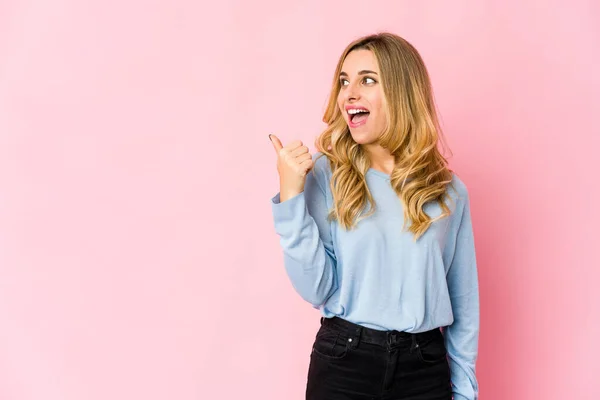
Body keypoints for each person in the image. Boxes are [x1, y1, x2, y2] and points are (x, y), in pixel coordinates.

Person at [268, 32, 479, 400]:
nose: (349, 94)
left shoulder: (448, 191)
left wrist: (465, 392)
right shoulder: (325, 174)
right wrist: (291, 195)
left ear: (401, 92)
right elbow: (315, 288)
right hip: (344, 363)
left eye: (367, 80)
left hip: (424, 371)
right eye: (344, 81)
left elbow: (464, 305)